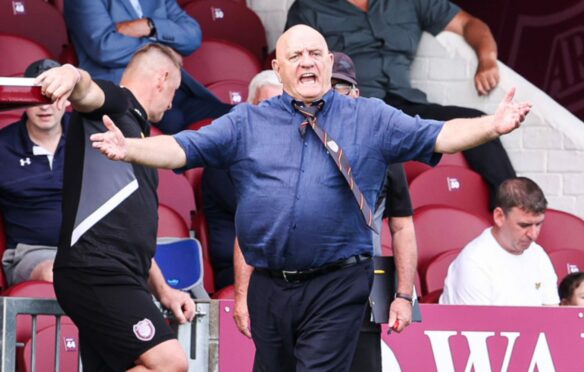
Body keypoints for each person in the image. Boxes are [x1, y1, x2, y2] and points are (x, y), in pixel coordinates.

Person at [66, 25, 531, 371]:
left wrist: (492, 125)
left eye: (315, 53)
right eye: (296, 55)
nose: (307, 62)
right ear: (278, 68)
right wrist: (131, 149)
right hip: (271, 285)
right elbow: (182, 148)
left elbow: (442, 134)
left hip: (337, 282)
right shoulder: (247, 122)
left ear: (329, 63)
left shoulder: (371, 118)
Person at [38, 44, 196, 371]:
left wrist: (164, 290)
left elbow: (130, 234)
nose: (172, 102)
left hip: (120, 273)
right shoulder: (118, 103)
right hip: (96, 271)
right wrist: (71, 73)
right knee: (170, 364)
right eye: (175, 91)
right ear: (162, 78)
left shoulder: (138, 137)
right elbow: (86, 92)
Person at [286, 0, 516, 207]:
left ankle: (512, 207)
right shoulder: (309, 8)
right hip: (354, 109)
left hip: (405, 105)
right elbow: (292, 69)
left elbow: (470, 24)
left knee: (478, 121)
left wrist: (487, 60)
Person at [331, 51, 417, 372]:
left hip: (360, 292)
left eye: (339, 87)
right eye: (325, 86)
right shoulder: (293, 142)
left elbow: (402, 227)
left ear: (355, 93)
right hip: (303, 295)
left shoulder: (383, 149)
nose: (332, 95)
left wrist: (404, 296)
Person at [64, 0, 232, 134]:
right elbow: (105, 47)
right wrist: (165, 52)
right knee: (175, 122)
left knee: (231, 117)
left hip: (174, 90)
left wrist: (150, 25)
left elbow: (193, 35)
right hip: (128, 93)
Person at [202, 70, 283, 291]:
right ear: (250, 110)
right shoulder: (224, 159)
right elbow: (263, 212)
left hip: (283, 267)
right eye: (266, 106)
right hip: (240, 270)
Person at [0, 59, 70, 286]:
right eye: (37, 95)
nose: (45, 106)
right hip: (30, 253)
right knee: (57, 273)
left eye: (53, 96)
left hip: (86, 250)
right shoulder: (3, 146)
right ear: (23, 97)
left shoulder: (90, 138)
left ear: (68, 98)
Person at [440, 177, 559, 306]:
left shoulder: (538, 254)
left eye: (539, 224)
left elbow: (552, 314)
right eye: (524, 225)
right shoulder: (474, 262)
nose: (533, 235)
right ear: (499, 217)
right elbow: (475, 325)